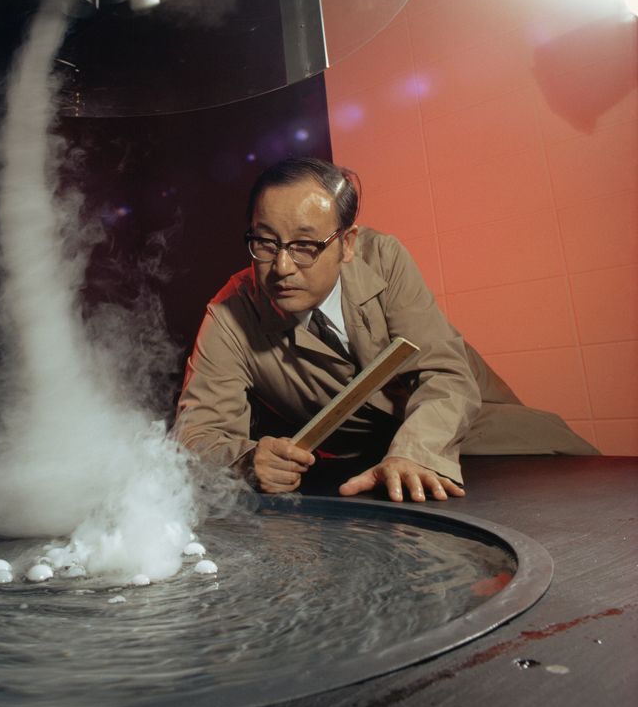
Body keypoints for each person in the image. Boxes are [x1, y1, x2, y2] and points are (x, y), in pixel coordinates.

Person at [174, 157, 597, 501]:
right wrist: (247, 460)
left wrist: (416, 453)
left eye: (305, 245)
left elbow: (445, 374)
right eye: (266, 243)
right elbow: (196, 437)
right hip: (362, 470)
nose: (282, 267)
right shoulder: (229, 313)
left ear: (347, 244)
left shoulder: (384, 258)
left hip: (470, 428)